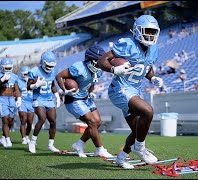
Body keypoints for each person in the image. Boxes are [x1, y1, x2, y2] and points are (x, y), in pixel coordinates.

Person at [97, 15, 163, 169]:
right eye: (147, 31)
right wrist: (114, 69)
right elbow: (101, 61)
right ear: (138, 31)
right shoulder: (127, 44)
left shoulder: (153, 50)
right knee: (148, 111)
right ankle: (140, 149)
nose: (150, 35)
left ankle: (122, 157)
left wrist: (152, 78)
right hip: (119, 89)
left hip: (134, 91)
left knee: (137, 130)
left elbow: (146, 66)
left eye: (153, 32)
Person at [55, 45, 113, 158]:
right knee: (91, 122)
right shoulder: (78, 67)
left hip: (86, 98)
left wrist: (91, 91)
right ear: (91, 60)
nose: (101, 63)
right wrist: (65, 90)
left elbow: (92, 82)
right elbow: (59, 76)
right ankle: (99, 149)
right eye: (99, 60)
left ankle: (79, 144)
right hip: (74, 99)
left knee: (97, 122)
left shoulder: (99, 70)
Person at [27, 51, 60, 153]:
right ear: (43, 62)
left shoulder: (52, 72)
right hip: (38, 99)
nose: (50, 68)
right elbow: (28, 87)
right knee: (42, 118)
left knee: (53, 121)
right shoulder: (34, 71)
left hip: (49, 99)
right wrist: (36, 85)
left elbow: (52, 84)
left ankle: (50, 144)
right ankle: (32, 142)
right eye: (48, 65)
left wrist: (57, 96)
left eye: (51, 66)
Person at [0, 58, 22, 148]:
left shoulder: (14, 76)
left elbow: (16, 89)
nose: (8, 70)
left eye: (9, 68)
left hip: (12, 99)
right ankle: (8, 140)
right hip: (2, 99)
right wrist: (2, 79)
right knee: (5, 119)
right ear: (2, 67)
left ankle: (3, 137)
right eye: (6, 68)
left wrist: (19, 98)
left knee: (10, 121)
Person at [17, 66, 35, 144]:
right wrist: (18, 99)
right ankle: (23, 138)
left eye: (28, 74)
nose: (26, 75)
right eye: (25, 74)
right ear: (22, 74)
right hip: (23, 103)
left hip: (31, 103)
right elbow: (16, 91)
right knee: (23, 120)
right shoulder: (18, 81)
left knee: (30, 122)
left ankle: (27, 136)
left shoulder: (33, 80)